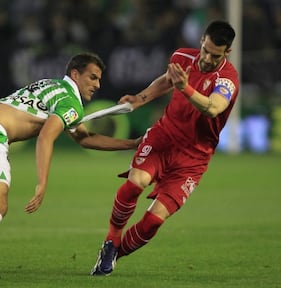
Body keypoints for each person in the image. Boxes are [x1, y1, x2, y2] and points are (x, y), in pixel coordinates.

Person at [0, 52, 140, 278]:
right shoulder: (71, 102)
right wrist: (42, 183)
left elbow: (84, 138)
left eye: (99, 79)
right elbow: (46, 137)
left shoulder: (53, 86)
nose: (98, 84)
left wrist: (133, 144)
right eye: (93, 77)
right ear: (75, 74)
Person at [91, 20, 239, 276]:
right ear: (202, 40)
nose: (207, 58)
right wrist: (140, 99)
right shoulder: (182, 57)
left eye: (215, 55)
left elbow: (213, 107)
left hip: (194, 157)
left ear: (227, 52)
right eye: (205, 49)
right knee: (135, 183)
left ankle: (115, 253)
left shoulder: (227, 79)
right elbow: (166, 81)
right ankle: (111, 239)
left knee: (153, 222)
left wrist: (186, 88)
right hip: (164, 137)